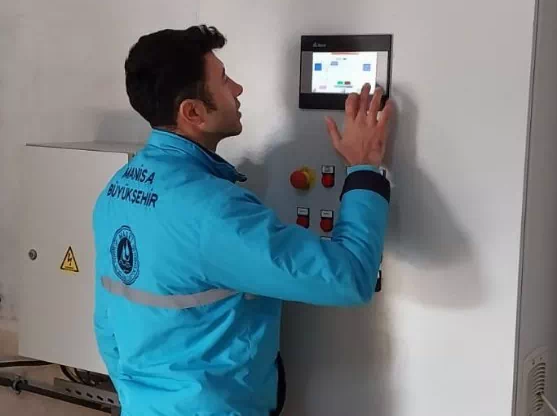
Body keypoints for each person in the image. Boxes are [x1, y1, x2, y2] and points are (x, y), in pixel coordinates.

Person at [92, 25, 394, 416]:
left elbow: (108, 325)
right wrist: (364, 168)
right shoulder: (214, 212)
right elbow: (349, 277)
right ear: (193, 113)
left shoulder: (116, 191)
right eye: (223, 80)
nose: (237, 89)